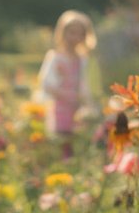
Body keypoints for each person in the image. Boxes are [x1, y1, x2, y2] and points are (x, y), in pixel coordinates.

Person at [35, 10, 97, 159]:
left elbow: (85, 85)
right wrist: (65, 95)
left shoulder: (82, 60)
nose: (75, 37)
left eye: (80, 34)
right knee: (60, 140)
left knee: (74, 141)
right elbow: (45, 83)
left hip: (76, 108)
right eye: (72, 32)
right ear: (62, 33)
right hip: (60, 107)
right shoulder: (55, 57)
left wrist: (87, 104)